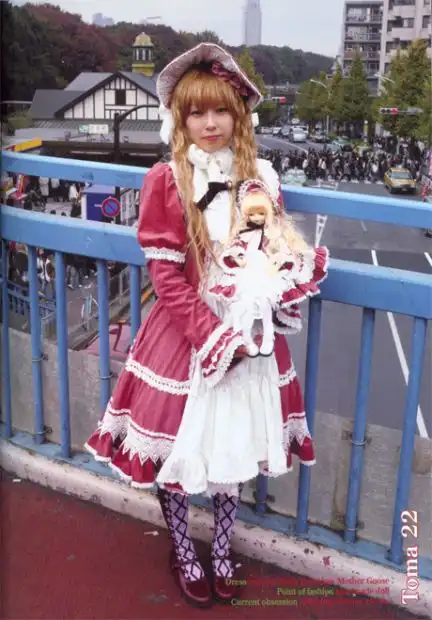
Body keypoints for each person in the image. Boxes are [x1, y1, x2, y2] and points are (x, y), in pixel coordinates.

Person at [84, 43, 328, 608]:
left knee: (233, 445)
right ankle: (183, 548)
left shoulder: (260, 177)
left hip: (249, 331)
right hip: (187, 332)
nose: (210, 123)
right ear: (180, 119)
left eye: (221, 110)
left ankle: (220, 547)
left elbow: (273, 251)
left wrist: (276, 294)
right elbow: (166, 279)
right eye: (196, 112)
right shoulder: (166, 180)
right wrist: (214, 338)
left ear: (239, 114)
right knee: (175, 447)